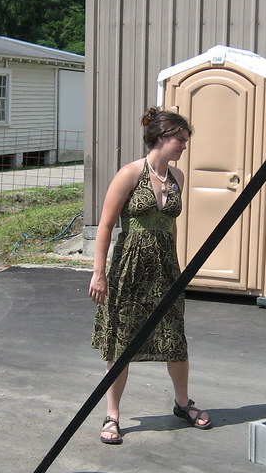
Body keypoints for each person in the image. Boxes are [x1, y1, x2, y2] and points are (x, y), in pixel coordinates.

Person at [89, 107, 210, 444]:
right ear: (161, 138)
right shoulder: (130, 174)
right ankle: (112, 415)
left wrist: (177, 267)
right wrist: (99, 274)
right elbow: (105, 226)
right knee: (122, 340)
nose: (184, 145)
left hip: (165, 270)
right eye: (180, 139)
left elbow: (171, 226)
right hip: (129, 267)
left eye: (186, 140)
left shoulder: (178, 178)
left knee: (174, 337)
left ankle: (183, 403)